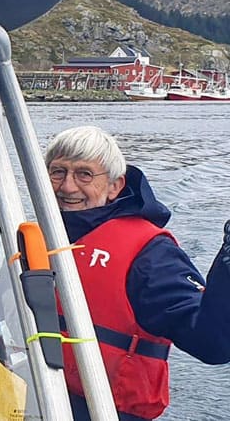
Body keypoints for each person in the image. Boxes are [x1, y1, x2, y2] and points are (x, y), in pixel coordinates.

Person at [44, 126, 230, 421]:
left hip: (107, 410)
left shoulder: (150, 254)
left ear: (115, 186)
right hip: (39, 393)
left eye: (84, 174)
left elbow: (212, 343)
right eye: (58, 172)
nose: (67, 187)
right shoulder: (40, 237)